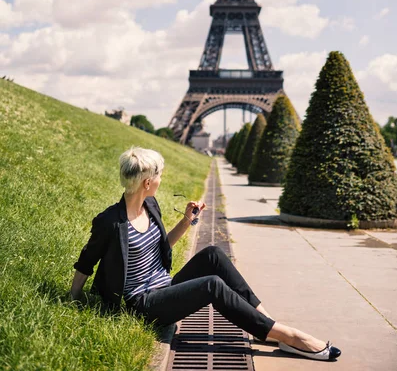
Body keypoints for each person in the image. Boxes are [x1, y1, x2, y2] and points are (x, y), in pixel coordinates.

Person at [70, 146, 341, 362]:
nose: (162, 180)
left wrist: (188, 220)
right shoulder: (111, 222)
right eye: (160, 175)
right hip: (142, 304)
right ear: (147, 182)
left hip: (163, 288)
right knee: (211, 285)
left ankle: (267, 325)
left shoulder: (149, 205)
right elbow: (86, 261)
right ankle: (290, 336)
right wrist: (73, 299)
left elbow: (159, 248)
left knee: (212, 254)